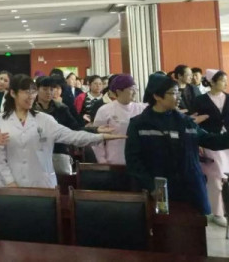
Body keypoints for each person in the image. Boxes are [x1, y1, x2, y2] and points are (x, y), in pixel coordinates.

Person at [0, 74, 125, 188]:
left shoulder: (45, 120)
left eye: (33, 92)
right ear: (13, 93)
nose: (31, 96)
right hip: (8, 185)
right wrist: (9, 181)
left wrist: (100, 136)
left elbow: (72, 136)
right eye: (26, 92)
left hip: (41, 183)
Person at [125, 73, 229, 215]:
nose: (178, 97)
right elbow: (133, 161)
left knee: (194, 226)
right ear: (157, 96)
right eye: (173, 93)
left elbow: (211, 141)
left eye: (178, 92)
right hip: (159, 191)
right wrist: (152, 186)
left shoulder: (185, 122)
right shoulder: (140, 124)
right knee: (164, 226)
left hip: (191, 189)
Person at [192, 69, 229, 226]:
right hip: (209, 142)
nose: (225, 83)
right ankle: (217, 212)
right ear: (212, 82)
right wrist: (199, 143)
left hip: (226, 141)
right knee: (216, 177)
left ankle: (226, 209)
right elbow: (194, 123)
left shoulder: (228, 98)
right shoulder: (200, 100)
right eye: (222, 80)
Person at [92, 75, 147, 165]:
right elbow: (97, 138)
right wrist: (102, 160)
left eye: (135, 88)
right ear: (119, 91)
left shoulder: (141, 109)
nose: (135, 92)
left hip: (138, 162)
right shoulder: (105, 110)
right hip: (114, 161)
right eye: (131, 89)